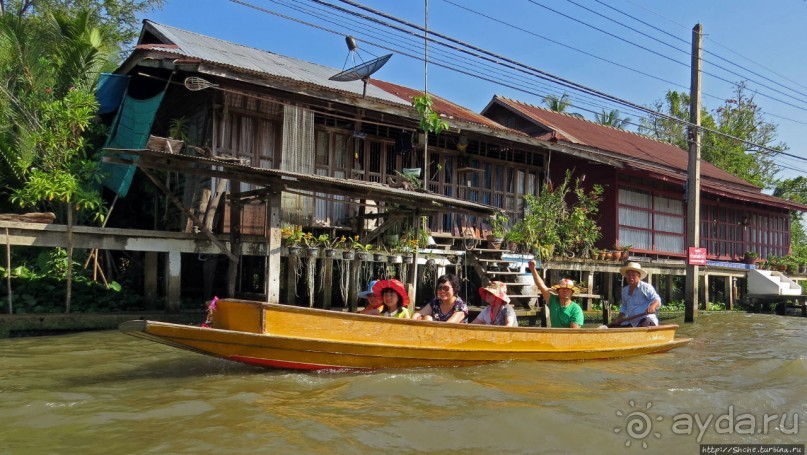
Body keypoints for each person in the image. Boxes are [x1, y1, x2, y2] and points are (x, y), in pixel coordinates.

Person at [528, 260, 584, 328]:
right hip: (553, 334)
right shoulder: (553, 301)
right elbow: (541, 285)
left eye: (568, 289)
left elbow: (573, 332)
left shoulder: (576, 309)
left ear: (572, 292)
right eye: (562, 288)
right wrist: (533, 269)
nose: (565, 290)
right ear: (557, 291)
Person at [610, 262, 662, 327]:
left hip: (646, 319)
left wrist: (653, 306)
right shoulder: (624, 291)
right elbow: (624, 307)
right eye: (628, 275)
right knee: (613, 326)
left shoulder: (646, 287)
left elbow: (657, 299)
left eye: (633, 275)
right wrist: (619, 318)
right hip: (632, 321)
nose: (631, 277)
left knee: (644, 324)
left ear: (639, 276)